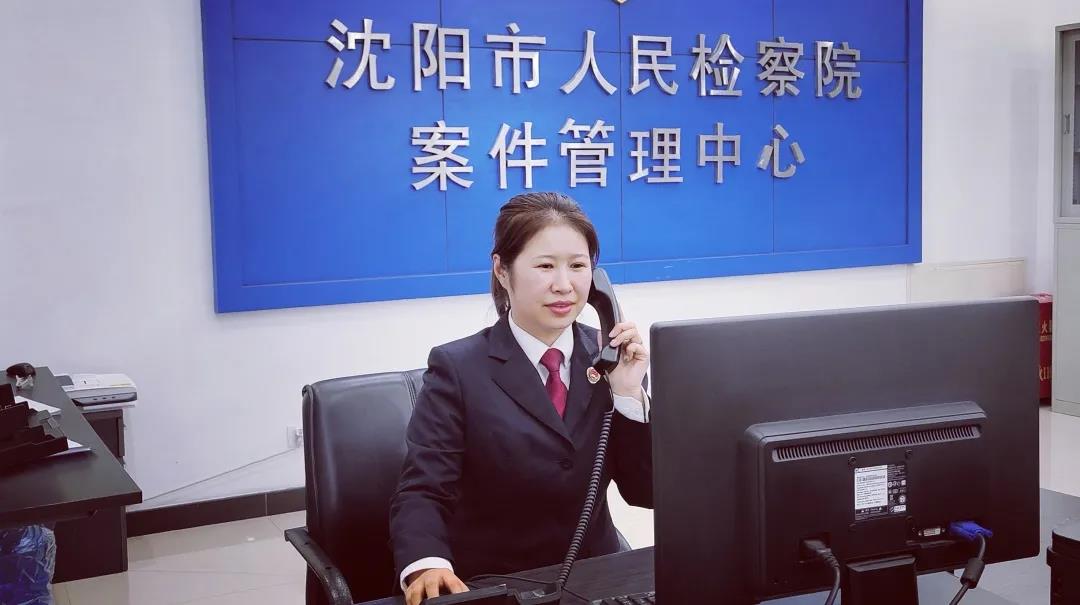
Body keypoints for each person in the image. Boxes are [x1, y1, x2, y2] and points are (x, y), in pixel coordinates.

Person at [389, 192, 653, 605]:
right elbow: (423, 489)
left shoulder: (612, 361)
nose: (564, 285)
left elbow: (644, 492)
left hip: (594, 574)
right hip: (495, 580)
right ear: (502, 270)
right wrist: (427, 563)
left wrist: (628, 394)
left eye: (578, 266)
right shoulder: (457, 368)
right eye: (545, 266)